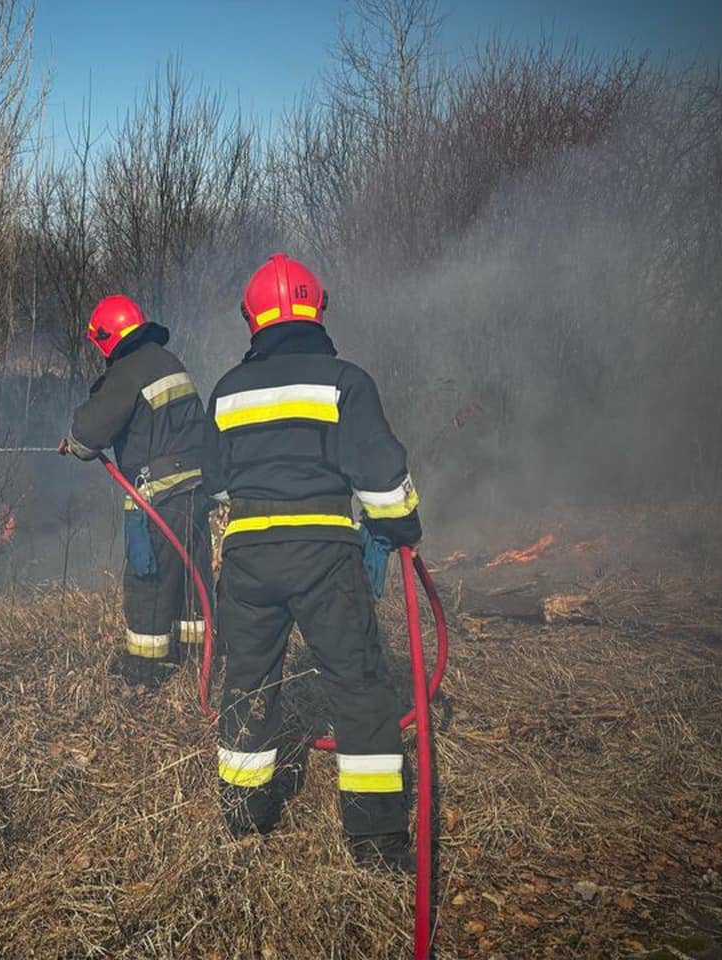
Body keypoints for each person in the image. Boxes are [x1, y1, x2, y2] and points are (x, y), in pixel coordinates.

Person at [202, 254, 423, 870]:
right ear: (316, 310)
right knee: (356, 685)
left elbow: (216, 483)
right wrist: (404, 525)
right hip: (326, 557)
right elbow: (383, 481)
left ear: (253, 318)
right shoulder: (345, 381)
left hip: (247, 560)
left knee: (247, 680)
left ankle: (246, 817)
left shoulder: (226, 389)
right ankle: (377, 842)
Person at [59, 294, 214, 686]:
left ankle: (147, 668)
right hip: (198, 489)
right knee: (191, 576)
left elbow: (87, 432)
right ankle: (197, 660)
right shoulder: (168, 361)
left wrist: (74, 443)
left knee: (149, 578)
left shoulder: (128, 370)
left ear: (108, 338)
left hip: (159, 495)